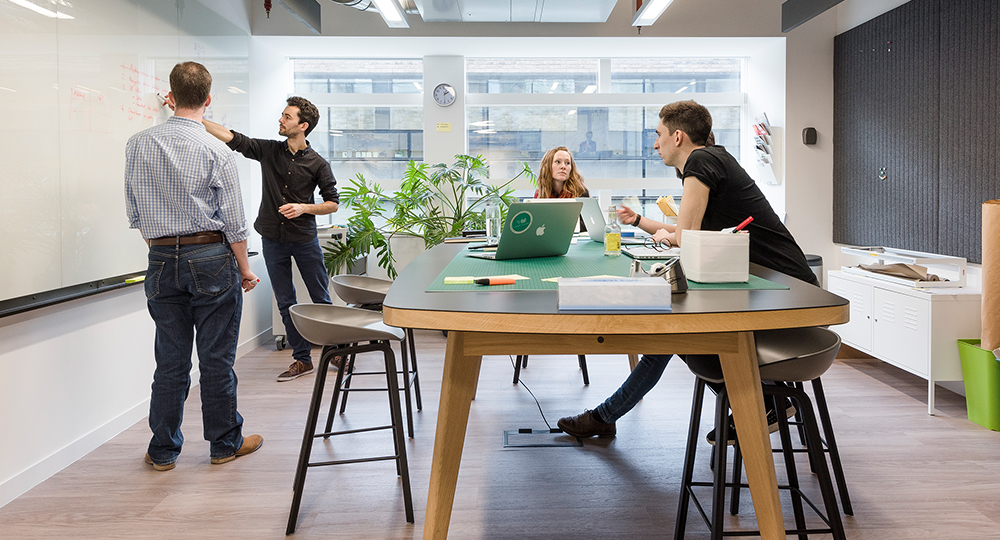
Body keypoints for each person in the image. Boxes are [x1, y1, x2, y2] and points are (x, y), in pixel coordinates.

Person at [557, 100, 819, 442]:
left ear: (677, 136)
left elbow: (686, 234)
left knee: (672, 334)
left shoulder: (702, 160)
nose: (655, 143)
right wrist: (664, 231)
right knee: (671, 335)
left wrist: (671, 235)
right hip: (763, 288)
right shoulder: (711, 160)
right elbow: (689, 235)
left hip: (783, 295)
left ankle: (764, 400)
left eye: (659, 134)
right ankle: (762, 398)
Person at [125, 61, 263, 471]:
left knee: (170, 360)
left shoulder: (137, 144)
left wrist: (166, 249)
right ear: (207, 99)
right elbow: (235, 222)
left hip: (161, 259)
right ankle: (224, 445)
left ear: (170, 96)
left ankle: (163, 451)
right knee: (216, 359)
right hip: (212, 259)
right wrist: (244, 269)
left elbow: (136, 214)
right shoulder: (215, 149)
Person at [203, 97, 339, 383]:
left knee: (320, 299)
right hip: (272, 239)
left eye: (287, 117)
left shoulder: (318, 164)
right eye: (282, 115)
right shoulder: (269, 151)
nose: (281, 120)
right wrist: (196, 118)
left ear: (302, 126)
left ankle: (336, 350)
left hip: (304, 239)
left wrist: (303, 207)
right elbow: (233, 137)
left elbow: (332, 203)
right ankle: (302, 360)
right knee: (285, 301)